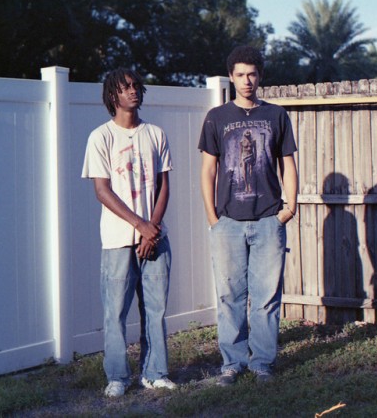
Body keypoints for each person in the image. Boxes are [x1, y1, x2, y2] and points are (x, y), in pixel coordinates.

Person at [198, 45, 298, 386]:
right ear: (231, 77)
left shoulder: (276, 115)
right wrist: (213, 217)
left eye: (252, 74)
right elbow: (208, 169)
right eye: (240, 74)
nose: (246, 80)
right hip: (227, 222)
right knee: (229, 296)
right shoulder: (217, 117)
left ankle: (262, 363)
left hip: (269, 219)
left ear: (260, 76)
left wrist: (290, 207)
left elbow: (288, 163)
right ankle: (233, 362)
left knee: (267, 296)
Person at [82, 68, 176, 397]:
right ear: (113, 96)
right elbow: (102, 191)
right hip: (118, 241)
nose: (133, 91)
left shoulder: (156, 134)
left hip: (156, 239)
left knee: (156, 309)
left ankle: (155, 372)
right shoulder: (101, 137)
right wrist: (140, 226)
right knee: (115, 313)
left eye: (136, 86)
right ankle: (117, 377)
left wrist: (153, 230)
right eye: (125, 88)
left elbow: (164, 185)